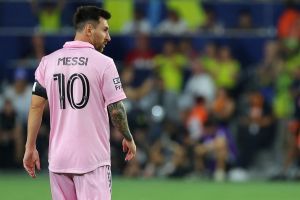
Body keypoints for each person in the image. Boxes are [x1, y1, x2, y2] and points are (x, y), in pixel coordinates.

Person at [23, 6, 136, 200]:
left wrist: (30, 147)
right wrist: (128, 137)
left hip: (58, 161)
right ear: (89, 30)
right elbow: (116, 110)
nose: (108, 37)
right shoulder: (104, 63)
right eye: (105, 30)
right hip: (92, 161)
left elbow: (35, 106)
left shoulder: (48, 62)